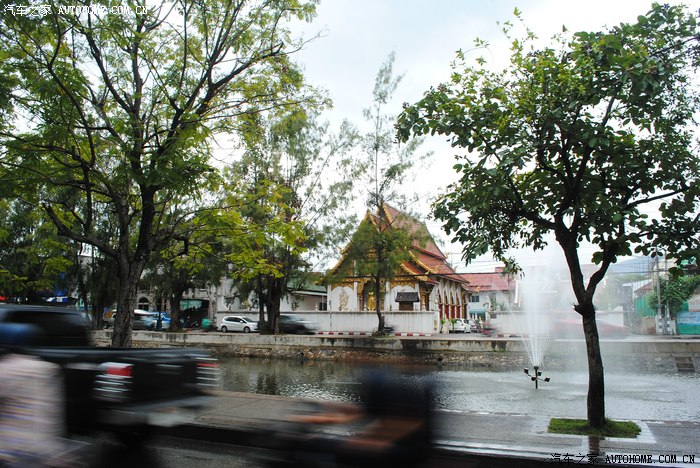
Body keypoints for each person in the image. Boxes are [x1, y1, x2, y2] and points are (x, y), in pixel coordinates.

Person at [276, 368, 434, 467]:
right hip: (403, 451)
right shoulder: (390, 399)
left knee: (325, 450)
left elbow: (381, 437)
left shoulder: (399, 409)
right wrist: (324, 405)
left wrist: (350, 443)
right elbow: (356, 411)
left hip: (404, 455)